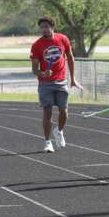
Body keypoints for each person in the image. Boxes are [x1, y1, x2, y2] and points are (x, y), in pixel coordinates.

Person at [30, 16, 82, 153]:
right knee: (47, 112)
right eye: (41, 27)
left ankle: (59, 131)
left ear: (52, 27)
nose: (44, 29)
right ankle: (47, 142)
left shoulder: (63, 39)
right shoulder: (37, 45)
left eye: (46, 26)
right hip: (45, 84)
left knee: (64, 111)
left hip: (61, 81)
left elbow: (70, 57)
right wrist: (42, 74)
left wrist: (73, 78)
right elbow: (34, 68)